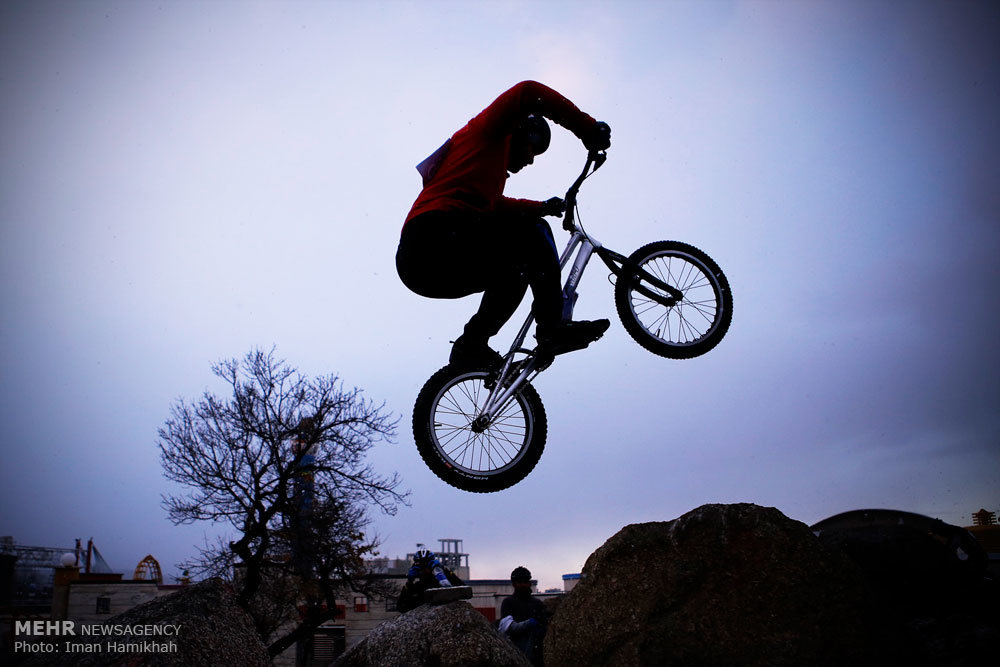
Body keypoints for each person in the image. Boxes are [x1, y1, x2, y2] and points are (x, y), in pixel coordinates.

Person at [396, 80, 613, 368]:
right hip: (431, 236)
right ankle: (553, 328)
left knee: (515, 272)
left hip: (426, 266)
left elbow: (497, 207)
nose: (531, 160)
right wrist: (586, 127)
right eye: (533, 149)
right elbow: (527, 92)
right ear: (520, 131)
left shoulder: (482, 175)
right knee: (534, 231)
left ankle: (471, 344)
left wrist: (543, 207)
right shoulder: (490, 133)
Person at [499, 566, 547, 665]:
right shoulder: (508, 603)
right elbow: (509, 628)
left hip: (537, 655)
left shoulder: (537, 604)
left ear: (529, 583)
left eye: (525, 581)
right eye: (519, 582)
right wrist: (529, 623)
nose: (522, 585)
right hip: (515, 654)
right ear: (514, 584)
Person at [395, 549, 465, 613]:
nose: (424, 570)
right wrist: (409, 582)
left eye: (426, 566)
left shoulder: (441, 582)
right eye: (421, 567)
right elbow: (401, 607)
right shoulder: (416, 587)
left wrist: (445, 571)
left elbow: (462, 589)